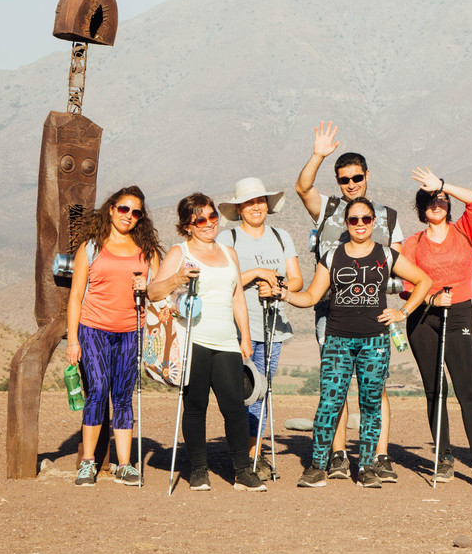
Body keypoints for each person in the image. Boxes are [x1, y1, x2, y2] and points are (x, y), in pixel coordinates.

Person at [289, 197, 431, 488]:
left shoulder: (387, 255)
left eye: (366, 219)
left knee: (370, 404)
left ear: (373, 222)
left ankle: (366, 467)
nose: (360, 225)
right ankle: (318, 465)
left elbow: (424, 281)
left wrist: (402, 312)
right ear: (345, 223)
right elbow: (311, 297)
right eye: (354, 220)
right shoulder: (331, 257)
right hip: (337, 340)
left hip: (375, 341)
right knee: (329, 402)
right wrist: (283, 295)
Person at [293, 121, 405, 482]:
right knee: (334, 388)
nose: (351, 184)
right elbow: (302, 187)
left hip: (374, 318)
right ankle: (336, 455)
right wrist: (318, 155)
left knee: (375, 389)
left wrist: (397, 307)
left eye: (356, 177)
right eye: (344, 179)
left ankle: (376, 457)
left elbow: (400, 268)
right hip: (330, 313)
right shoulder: (327, 209)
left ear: (367, 176)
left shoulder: (386, 217)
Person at [148, 193, 266, 492]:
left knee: (235, 406)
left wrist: (246, 337)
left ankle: (243, 472)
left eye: (212, 216)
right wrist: (177, 278)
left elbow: (238, 295)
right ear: (187, 225)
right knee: (196, 405)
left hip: (226, 340)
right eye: (200, 219)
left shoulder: (229, 253)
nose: (209, 223)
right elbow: (153, 292)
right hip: (193, 340)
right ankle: (198, 470)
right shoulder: (179, 252)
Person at [401, 167, 472, 488]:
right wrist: (430, 300)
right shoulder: (412, 244)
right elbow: (406, 287)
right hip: (423, 319)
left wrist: (442, 184)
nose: (437, 203)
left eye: (441, 199)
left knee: (468, 391)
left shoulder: (465, 232)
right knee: (435, 390)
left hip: (458, 316)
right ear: (420, 210)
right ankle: (443, 458)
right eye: (429, 200)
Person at [67, 185, 162, 487]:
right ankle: (87, 462)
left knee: (122, 395)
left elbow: (159, 294)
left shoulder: (147, 252)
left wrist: (145, 288)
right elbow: (76, 296)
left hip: (131, 331)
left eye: (135, 212)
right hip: (93, 329)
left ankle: (125, 464)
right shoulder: (91, 247)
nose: (129, 216)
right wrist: (72, 340)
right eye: (123, 209)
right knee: (97, 388)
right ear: (111, 209)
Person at [217, 177, 303, 478]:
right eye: (249, 202)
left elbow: (296, 280)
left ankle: (252, 456)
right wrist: (255, 273)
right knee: (242, 392)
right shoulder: (229, 240)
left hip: (273, 328)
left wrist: (278, 289)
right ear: (239, 208)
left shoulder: (282, 237)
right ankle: (245, 455)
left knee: (262, 392)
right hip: (238, 330)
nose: (256, 207)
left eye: (260, 201)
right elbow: (222, 281)